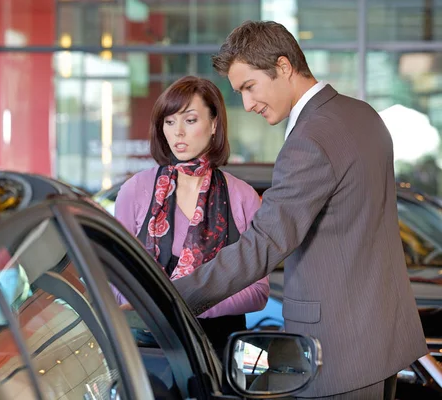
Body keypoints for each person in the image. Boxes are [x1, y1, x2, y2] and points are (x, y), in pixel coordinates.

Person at [170, 21, 428, 399]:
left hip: (339, 354)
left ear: (284, 67)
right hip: (384, 340)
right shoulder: (363, 115)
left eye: (249, 87)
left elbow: (264, 243)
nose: (246, 104)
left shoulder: (310, 138)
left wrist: (170, 296)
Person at [114, 75, 269, 357]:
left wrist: (183, 303)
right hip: (146, 350)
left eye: (190, 120)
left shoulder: (241, 196)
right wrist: (146, 307)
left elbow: (258, 291)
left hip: (217, 353)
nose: (178, 133)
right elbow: (115, 276)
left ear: (213, 125)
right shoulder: (135, 190)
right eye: (169, 122)